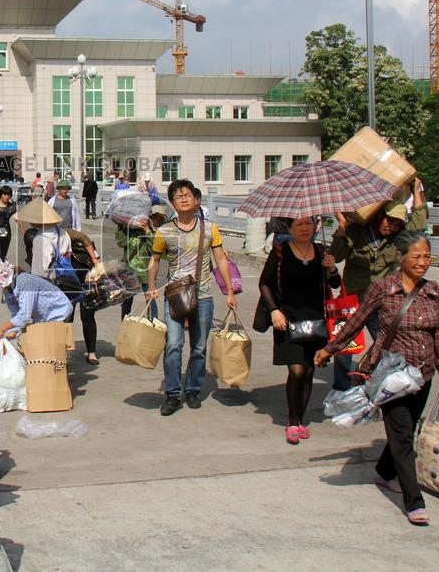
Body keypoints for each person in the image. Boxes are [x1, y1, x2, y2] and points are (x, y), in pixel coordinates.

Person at [315, 231, 439, 527]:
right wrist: (330, 348)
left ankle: (383, 470)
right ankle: (414, 502)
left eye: (426, 257)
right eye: (416, 257)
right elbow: (356, 322)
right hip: (392, 376)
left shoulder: (432, 290)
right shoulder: (383, 288)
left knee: (408, 431)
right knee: (404, 436)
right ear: (400, 257)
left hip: (424, 374)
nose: (422, 263)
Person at [146, 179, 238, 416]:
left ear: (196, 199)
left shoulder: (210, 228)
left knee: (199, 346)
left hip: (204, 294)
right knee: (174, 344)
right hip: (175, 294)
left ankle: (193, 389)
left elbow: (220, 260)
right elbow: (154, 260)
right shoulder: (164, 231)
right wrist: (152, 285)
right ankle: (173, 394)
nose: (184, 198)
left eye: (187, 194)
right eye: (178, 196)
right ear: (173, 203)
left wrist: (229, 291)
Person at [329, 178, 427, 390]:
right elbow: (335, 257)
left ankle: (381, 386)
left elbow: (419, 223)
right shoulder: (356, 231)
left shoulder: (397, 238)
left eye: (396, 224)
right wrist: (341, 229)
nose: (391, 227)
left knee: (388, 346)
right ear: (379, 216)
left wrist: (416, 190)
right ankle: (342, 388)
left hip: (380, 302)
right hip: (352, 299)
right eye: (389, 221)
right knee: (344, 347)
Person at [258, 217, 342, 444]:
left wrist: (332, 268)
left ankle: (301, 419)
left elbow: (334, 284)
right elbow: (264, 283)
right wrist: (274, 310)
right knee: (296, 370)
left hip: (317, 321)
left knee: (308, 372)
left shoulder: (321, 250)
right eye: (299, 225)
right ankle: (292, 420)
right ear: (289, 228)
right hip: (287, 320)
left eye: (309, 224)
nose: (305, 229)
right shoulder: (280, 251)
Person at [0, 259, 72, 340]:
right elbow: (16, 314)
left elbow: (24, 315)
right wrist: (10, 335)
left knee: (51, 347)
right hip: (42, 318)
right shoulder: (7, 290)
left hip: (58, 312)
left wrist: (2, 329)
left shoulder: (25, 281)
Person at [119, 206, 166, 319]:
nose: (156, 221)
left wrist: (147, 231)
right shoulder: (133, 230)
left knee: (150, 301)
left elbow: (153, 249)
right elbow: (121, 242)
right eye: (154, 217)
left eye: (159, 219)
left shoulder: (156, 234)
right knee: (126, 302)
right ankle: (125, 325)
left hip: (146, 273)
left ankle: (152, 324)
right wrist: (121, 225)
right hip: (129, 270)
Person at [67, 227, 102, 364]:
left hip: (85, 278)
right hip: (67, 281)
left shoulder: (69, 233)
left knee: (87, 314)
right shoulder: (46, 236)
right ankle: (66, 350)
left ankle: (91, 352)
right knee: (67, 316)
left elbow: (85, 239)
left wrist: (95, 260)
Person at [17, 198, 72, 279]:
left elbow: (40, 270)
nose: (29, 221)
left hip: (49, 280)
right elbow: (69, 253)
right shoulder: (62, 232)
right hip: (64, 276)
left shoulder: (41, 239)